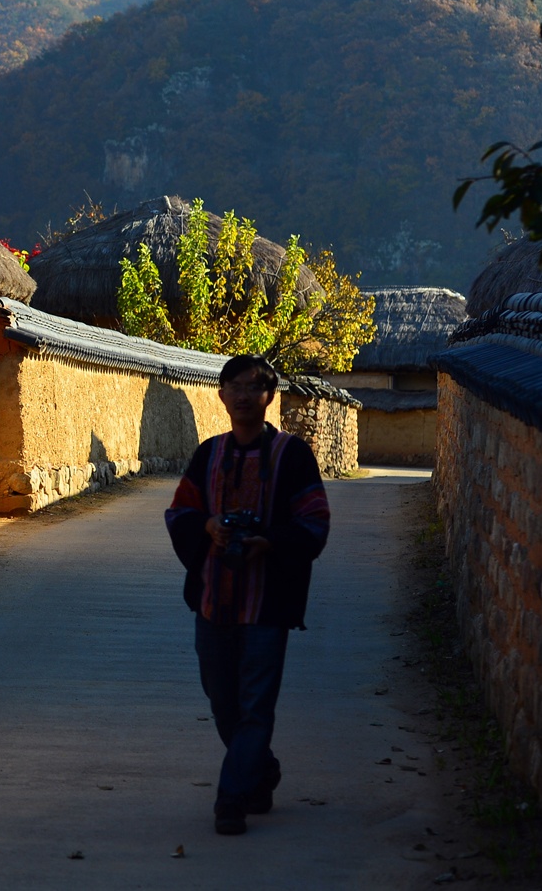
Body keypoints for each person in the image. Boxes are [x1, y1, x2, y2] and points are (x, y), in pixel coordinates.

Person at [164, 354, 331, 836]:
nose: (242, 395)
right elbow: (180, 512)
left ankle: (230, 800)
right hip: (212, 600)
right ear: (220, 394)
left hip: (267, 604)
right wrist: (209, 526)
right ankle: (262, 769)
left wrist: (269, 542)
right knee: (222, 701)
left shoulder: (292, 456)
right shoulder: (209, 454)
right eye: (233, 386)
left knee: (256, 705)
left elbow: (314, 520)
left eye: (253, 387)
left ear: (269, 396)